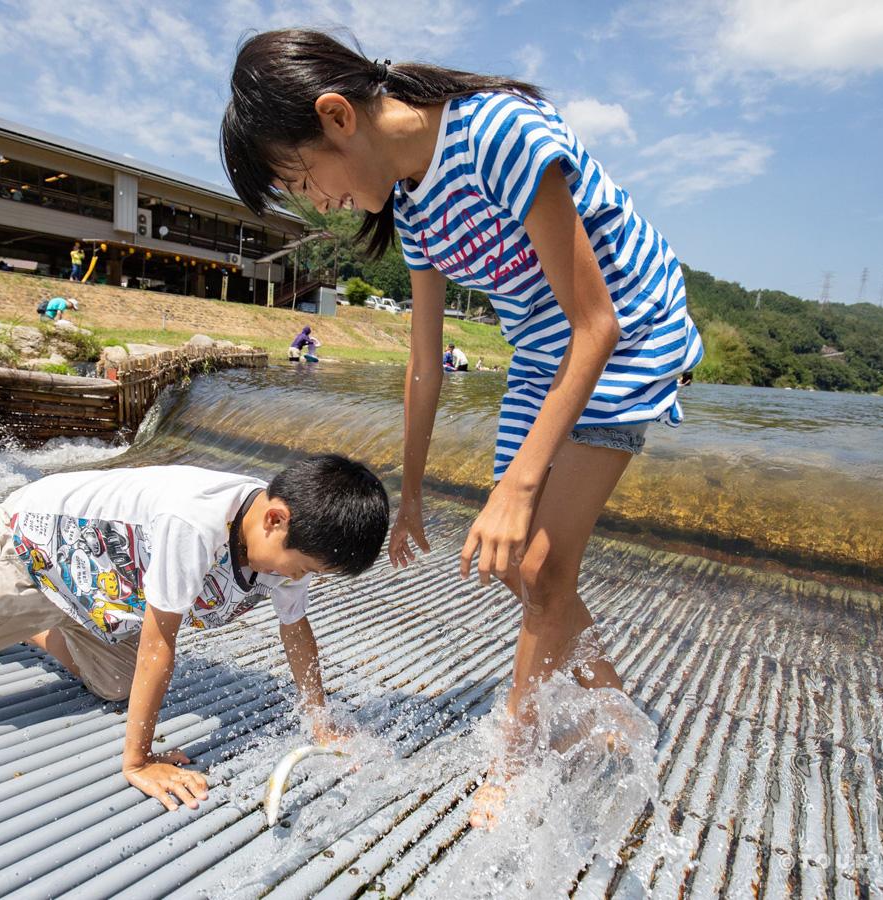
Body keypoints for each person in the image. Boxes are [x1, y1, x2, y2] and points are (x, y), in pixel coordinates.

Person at [221, 30, 703, 829]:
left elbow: (598, 324)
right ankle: (612, 699)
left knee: (540, 562)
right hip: (545, 353)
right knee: (519, 566)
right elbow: (424, 364)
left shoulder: (498, 135)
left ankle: (513, 764)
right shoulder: (414, 208)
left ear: (337, 116)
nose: (317, 203)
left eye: (303, 180)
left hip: (627, 332)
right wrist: (410, 492)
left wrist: (517, 488)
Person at [0, 455, 390, 811]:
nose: (302, 579)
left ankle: (32, 628)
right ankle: (5, 617)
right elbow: (160, 643)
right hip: (27, 554)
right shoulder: (195, 523)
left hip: (94, 589)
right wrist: (139, 760)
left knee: (116, 684)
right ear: (275, 519)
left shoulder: (287, 538)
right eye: (306, 568)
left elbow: (296, 631)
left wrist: (321, 722)